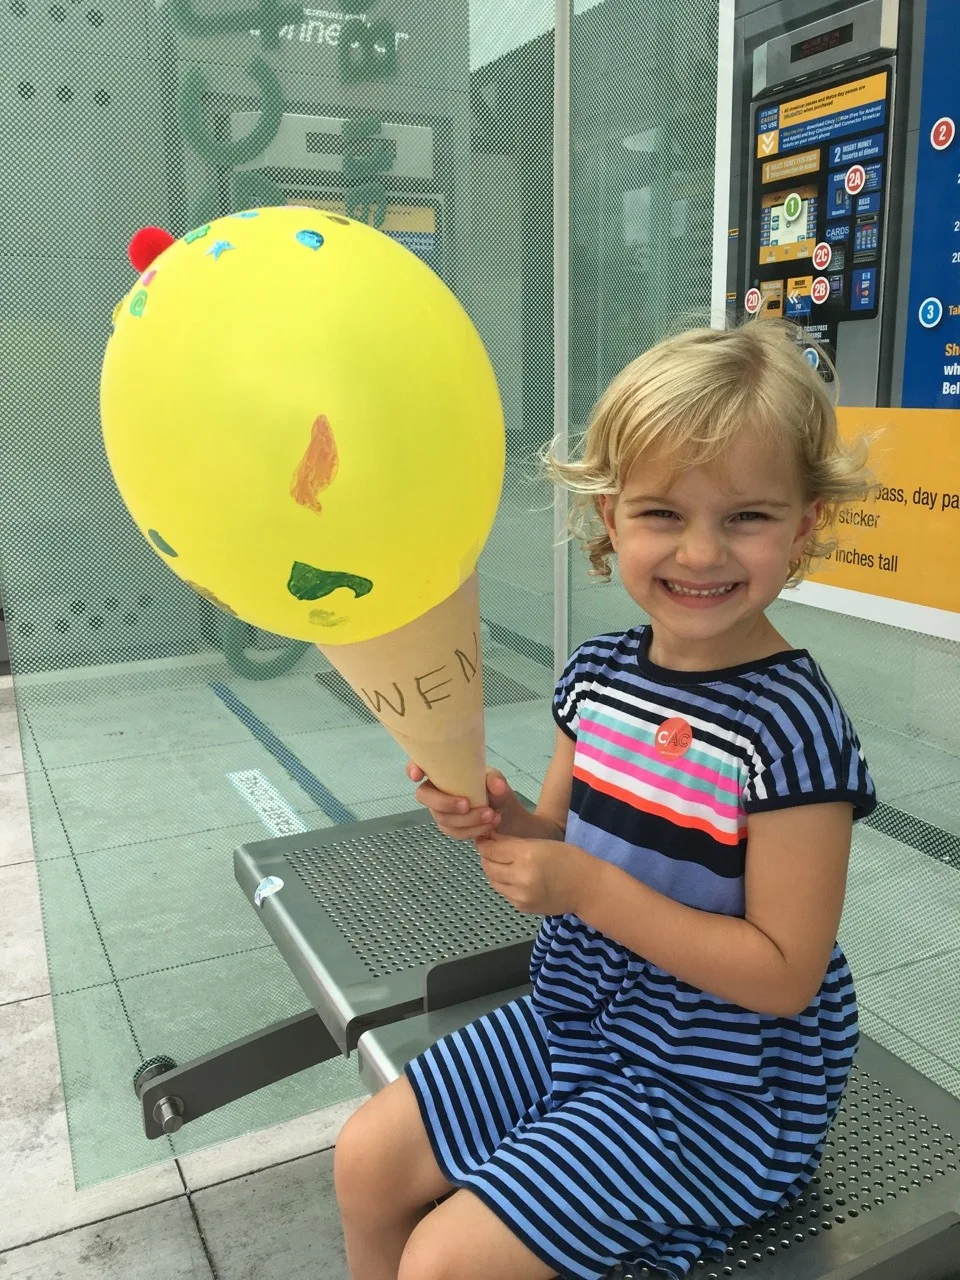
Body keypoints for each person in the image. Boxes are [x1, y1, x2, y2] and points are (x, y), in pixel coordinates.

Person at [334, 319, 878, 1280]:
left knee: (445, 1262)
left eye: (745, 516)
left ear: (802, 527)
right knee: (367, 1160)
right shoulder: (596, 680)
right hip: (579, 1021)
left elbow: (786, 973)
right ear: (610, 520)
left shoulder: (792, 728)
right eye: (664, 513)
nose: (702, 552)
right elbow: (561, 835)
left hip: (720, 1090)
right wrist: (493, 816)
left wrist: (583, 887)